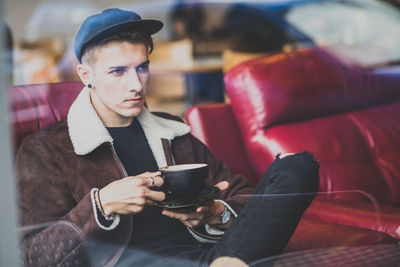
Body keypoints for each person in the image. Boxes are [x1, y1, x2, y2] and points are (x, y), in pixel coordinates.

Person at [16, 8, 320, 267]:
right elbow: (29, 254)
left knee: (298, 166)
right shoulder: (47, 149)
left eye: (142, 67)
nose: (136, 84)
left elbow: (241, 196)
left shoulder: (171, 130)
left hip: (209, 257)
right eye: (118, 71)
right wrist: (100, 205)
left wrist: (215, 214)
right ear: (86, 76)